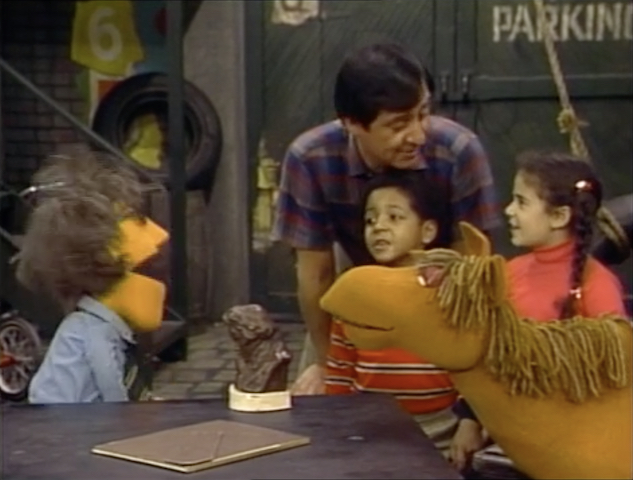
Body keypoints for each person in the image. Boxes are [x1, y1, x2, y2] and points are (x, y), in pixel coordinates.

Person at [272, 42, 500, 394]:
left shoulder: (458, 151)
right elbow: (316, 273)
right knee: (319, 404)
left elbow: (472, 265)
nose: (418, 135)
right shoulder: (311, 157)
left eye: (423, 113)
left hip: (440, 299)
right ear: (351, 123)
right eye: (399, 124)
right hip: (355, 293)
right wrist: (327, 362)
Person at [448, 150, 628, 474]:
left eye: (521, 202)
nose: (508, 210)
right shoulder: (508, 273)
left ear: (559, 216)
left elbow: (616, 377)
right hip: (507, 438)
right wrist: (469, 420)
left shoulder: (597, 286)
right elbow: (485, 355)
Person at [16, 149, 169, 403]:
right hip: (62, 420)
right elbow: (108, 380)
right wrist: (132, 413)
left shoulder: (102, 326)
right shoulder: (92, 330)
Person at [326, 170, 460, 453]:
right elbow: (340, 371)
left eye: (395, 217)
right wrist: (338, 427)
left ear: (427, 231)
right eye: (370, 220)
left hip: (442, 430)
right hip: (370, 430)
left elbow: (471, 368)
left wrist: (469, 425)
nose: (379, 227)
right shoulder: (355, 292)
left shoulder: (452, 290)